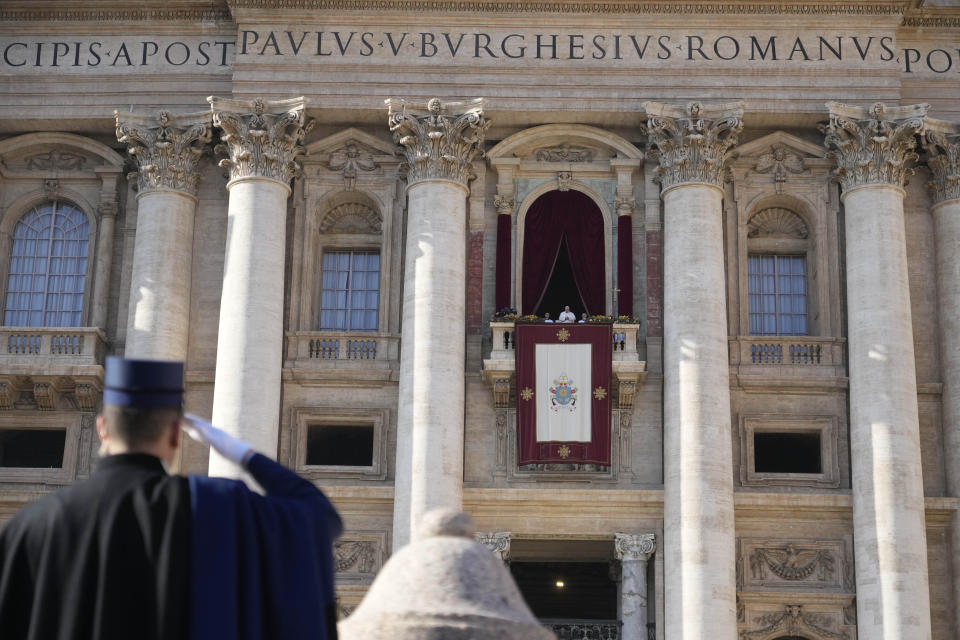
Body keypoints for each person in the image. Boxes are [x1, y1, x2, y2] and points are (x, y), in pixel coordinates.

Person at [0, 357, 342, 640]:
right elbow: (317, 513)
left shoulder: (29, 527)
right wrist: (240, 452)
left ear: (103, 427)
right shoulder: (216, 508)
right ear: (177, 435)